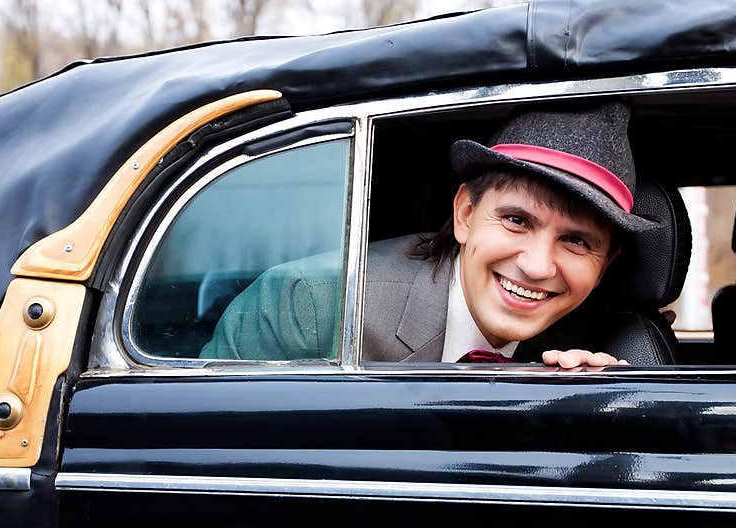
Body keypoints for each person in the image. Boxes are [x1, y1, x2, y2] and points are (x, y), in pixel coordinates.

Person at [201, 100, 657, 367]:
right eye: (517, 220)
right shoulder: (315, 307)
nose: (538, 266)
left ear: (604, 267)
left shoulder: (603, 352)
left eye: (577, 241)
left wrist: (591, 411)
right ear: (464, 214)